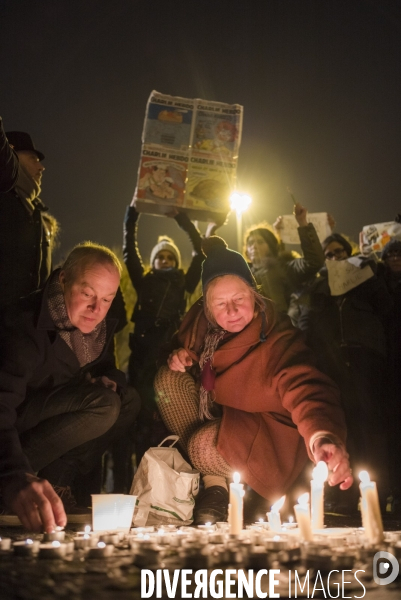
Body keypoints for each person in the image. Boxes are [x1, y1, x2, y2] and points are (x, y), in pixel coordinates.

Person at [154, 236, 352, 524]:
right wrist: (183, 358)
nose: (231, 312)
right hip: (227, 419)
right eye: (220, 304)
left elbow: (305, 387)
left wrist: (323, 435)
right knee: (168, 380)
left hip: (268, 436)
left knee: (201, 445)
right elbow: (187, 360)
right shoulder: (199, 329)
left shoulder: (275, 336)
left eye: (239, 300)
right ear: (207, 307)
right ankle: (218, 489)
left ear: (255, 296)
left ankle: (230, 489)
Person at [0, 243, 140, 532]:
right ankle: (24, 482)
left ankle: (57, 484)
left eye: (107, 299)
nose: (96, 309)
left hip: (61, 412)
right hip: (20, 426)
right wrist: (12, 475)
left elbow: (107, 368)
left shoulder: (98, 329)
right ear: (63, 279)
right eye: (87, 294)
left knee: (128, 400)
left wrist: (110, 379)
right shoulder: (24, 325)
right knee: (104, 405)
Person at [298, 233, 392, 509]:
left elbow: (385, 307)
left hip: (366, 358)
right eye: (329, 254)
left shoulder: (366, 279)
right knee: (342, 425)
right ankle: (342, 494)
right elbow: (307, 321)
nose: (335, 257)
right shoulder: (318, 286)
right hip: (333, 361)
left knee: (370, 427)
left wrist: (366, 275)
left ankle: (376, 490)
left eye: (340, 252)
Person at [123, 202, 204, 463]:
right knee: (140, 416)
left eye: (170, 257)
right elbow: (129, 253)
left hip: (167, 354)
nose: (165, 260)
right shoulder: (144, 280)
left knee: (166, 415)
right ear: (153, 261)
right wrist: (132, 216)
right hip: (142, 355)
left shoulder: (184, 283)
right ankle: (138, 473)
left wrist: (183, 219)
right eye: (161, 256)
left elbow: (199, 251)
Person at [0, 117, 58, 311]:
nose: (41, 167)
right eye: (33, 158)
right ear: (12, 155)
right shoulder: (5, 200)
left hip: (25, 328)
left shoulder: (37, 213)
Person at [244, 202, 325, 318]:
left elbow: (314, 261)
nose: (254, 246)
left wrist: (303, 224)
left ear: (271, 247)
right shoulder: (243, 274)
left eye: (260, 242)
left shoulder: (285, 268)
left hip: (282, 331)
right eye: (250, 243)